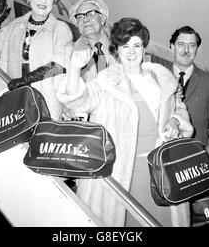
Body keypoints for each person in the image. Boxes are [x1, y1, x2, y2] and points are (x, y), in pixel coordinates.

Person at [57, 18, 193, 227]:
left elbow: (179, 108)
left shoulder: (161, 79)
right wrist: (74, 69)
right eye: (125, 46)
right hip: (121, 173)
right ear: (117, 50)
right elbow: (78, 102)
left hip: (161, 171)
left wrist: (175, 121)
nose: (131, 52)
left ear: (143, 47)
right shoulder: (105, 81)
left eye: (137, 45)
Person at [0, 0, 73, 120]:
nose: (43, 0)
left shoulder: (61, 29)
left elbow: (59, 66)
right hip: (11, 104)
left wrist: (25, 80)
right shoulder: (15, 26)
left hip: (45, 106)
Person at [169, 26, 209, 146]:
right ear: (172, 46)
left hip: (198, 156)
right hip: (164, 156)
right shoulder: (158, 78)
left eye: (192, 45)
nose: (186, 50)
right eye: (181, 44)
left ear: (197, 49)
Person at [69, 0, 115, 82]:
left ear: (103, 19)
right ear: (77, 25)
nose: (85, 19)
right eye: (80, 17)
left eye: (91, 13)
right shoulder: (70, 54)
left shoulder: (122, 46)